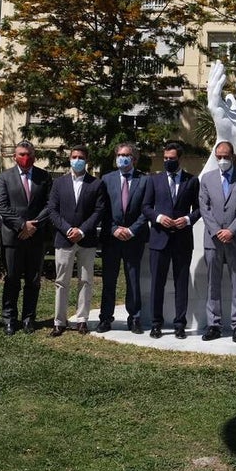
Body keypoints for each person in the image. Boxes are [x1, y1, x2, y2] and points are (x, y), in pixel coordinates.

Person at [142, 141, 200, 339]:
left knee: (181, 284)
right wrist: (158, 217)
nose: (168, 161)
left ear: (179, 159)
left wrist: (187, 219)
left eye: (171, 158)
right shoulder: (154, 180)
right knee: (157, 283)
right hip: (159, 239)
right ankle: (156, 323)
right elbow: (146, 207)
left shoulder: (192, 181)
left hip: (182, 240)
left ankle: (180, 324)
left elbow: (199, 208)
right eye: (165, 158)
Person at [0, 140, 52, 335]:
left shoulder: (44, 177)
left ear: (34, 156)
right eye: (21, 154)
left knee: (33, 280)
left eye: (29, 154)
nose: (25, 158)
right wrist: (22, 225)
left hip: (36, 236)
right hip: (13, 236)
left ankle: (28, 319)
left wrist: (33, 225)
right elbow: (2, 206)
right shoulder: (5, 177)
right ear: (14, 156)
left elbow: (50, 204)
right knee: (12, 279)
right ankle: (9, 319)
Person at [47, 145, 106, 336]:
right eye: (74, 157)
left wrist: (81, 230)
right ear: (69, 159)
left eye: (81, 157)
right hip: (64, 239)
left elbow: (99, 211)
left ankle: (82, 319)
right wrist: (67, 229)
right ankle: (59, 321)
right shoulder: (59, 183)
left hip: (87, 240)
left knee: (86, 280)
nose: (77, 160)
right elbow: (52, 210)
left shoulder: (96, 184)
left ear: (87, 160)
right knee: (61, 281)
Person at [199, 140, 236, 342]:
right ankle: (214, 324)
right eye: (219, 157)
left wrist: (231, 230)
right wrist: (216, 230)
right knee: (212, 282)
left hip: (235, 239)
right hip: (212, 239)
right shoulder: (207, 179)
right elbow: (204, 207)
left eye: (226, 156)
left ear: (233, 156)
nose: (222, 160)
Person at [97, 142, 149, 334]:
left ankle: (134, 318)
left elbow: (146, 209)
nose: (122, 158)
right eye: (119, 155)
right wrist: (113, 229)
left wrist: (132, 230)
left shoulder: (145, 180)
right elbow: (102, 209)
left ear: (134, 158)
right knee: (109, 280)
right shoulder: (106, 179)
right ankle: (105, 318)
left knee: (133, 279)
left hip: (134, 239)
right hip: (112, 239)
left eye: (126, 155)